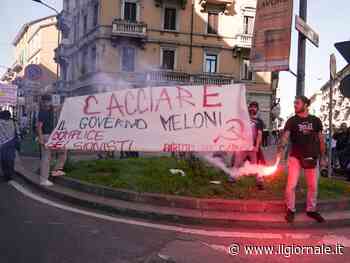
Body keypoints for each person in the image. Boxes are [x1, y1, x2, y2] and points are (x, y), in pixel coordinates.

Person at [277, 96, 326, 223]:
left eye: (297, 103)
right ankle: (290, 210)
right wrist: (281, 149)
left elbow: (321, 140)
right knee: (291, 185)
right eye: (294, 103)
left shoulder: (315, 120)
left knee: (313, 186)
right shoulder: (292, 121)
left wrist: (323, 157)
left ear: (305, 105)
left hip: (312, 157)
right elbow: (286, 137)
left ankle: (311, 210)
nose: (295, 105)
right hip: (296, 157)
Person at [230, 101, 264, 190]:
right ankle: (232, 178)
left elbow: (259, 134)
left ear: (257, 109)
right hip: (243, 146)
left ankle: (259, 181)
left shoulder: (259, 121)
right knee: (236, 162)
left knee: (256, 165)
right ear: (248, 108)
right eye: (251, 107)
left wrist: (256, 146)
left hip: (253, 147)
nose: (253, 109)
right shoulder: (243, 119)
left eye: (255, 107)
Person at [37, 95, 67, 186]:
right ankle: (43, 180)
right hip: (46, 136)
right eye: (45, 101)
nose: (47, 103)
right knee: (46, 158)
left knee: (63, 151)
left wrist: (67, 101)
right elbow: (39, 127)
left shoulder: (50, 109)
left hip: (52, 136)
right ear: (42, 102)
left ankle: (55, 170)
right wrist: (41, 138)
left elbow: (58, 108)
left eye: (48, 101)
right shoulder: (42, 112)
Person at [0, 111, 18, 182]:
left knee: (3, 159)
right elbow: (18, 132)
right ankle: (10, 174)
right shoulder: (13, 122)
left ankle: (5, 174)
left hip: (1, 143)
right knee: (10, 159)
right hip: (11, 142)